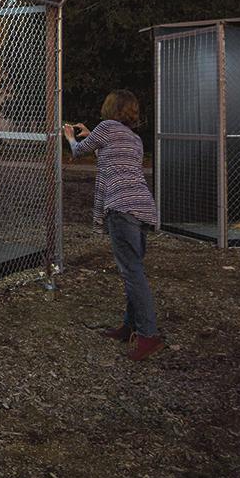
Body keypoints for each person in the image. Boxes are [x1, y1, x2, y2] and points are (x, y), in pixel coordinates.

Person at [63, 89, 164, 361]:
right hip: (143, 206)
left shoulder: (106, 127)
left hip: (121, 207)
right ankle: (130, 327)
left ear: (111, 108)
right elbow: (110, 159)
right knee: (135, 268)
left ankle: (148, 335)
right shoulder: (134, 138)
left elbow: (78, 152)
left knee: (132, 273)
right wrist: (90, 132)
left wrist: (72, 137)